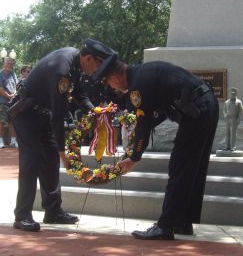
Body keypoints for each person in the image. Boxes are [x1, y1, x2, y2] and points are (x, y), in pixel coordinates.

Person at [92, 57, 219, 240]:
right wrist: (132, 152)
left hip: (197, 111)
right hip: (205, 105)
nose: (112, 88)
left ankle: (165, 226)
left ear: (115, 77)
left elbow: (144, 124)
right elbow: (155, 117)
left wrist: (134, 157)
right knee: (192, 168)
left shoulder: (137, 87)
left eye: (109, 82)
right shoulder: (143, 74)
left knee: (180, 167)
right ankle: (182, 221)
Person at [8, 38, 117, 232]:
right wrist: (63, 153)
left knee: (49, 161)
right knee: (31, 160)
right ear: (89, 57)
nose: (97, 71)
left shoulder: (74, 61)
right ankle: (22, 215)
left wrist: (94, 110)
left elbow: (79, 93)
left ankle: (53, 211)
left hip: (42, 113)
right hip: (26, 115)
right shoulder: (63, 70)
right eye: (98, 65)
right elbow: (58, 116)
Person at [0, 57, 18, 148]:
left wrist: (14, 94)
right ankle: (0, 141)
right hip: (3, 102)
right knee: (2, 121)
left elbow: (17, 86)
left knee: (12, 122)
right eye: (8, 63)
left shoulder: (13, 73)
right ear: (4, 63)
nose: (9, 65)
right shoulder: (0, 74)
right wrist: (9, 96)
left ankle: (14, 141)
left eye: (11, 63)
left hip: (13, 102)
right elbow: (1, 89)